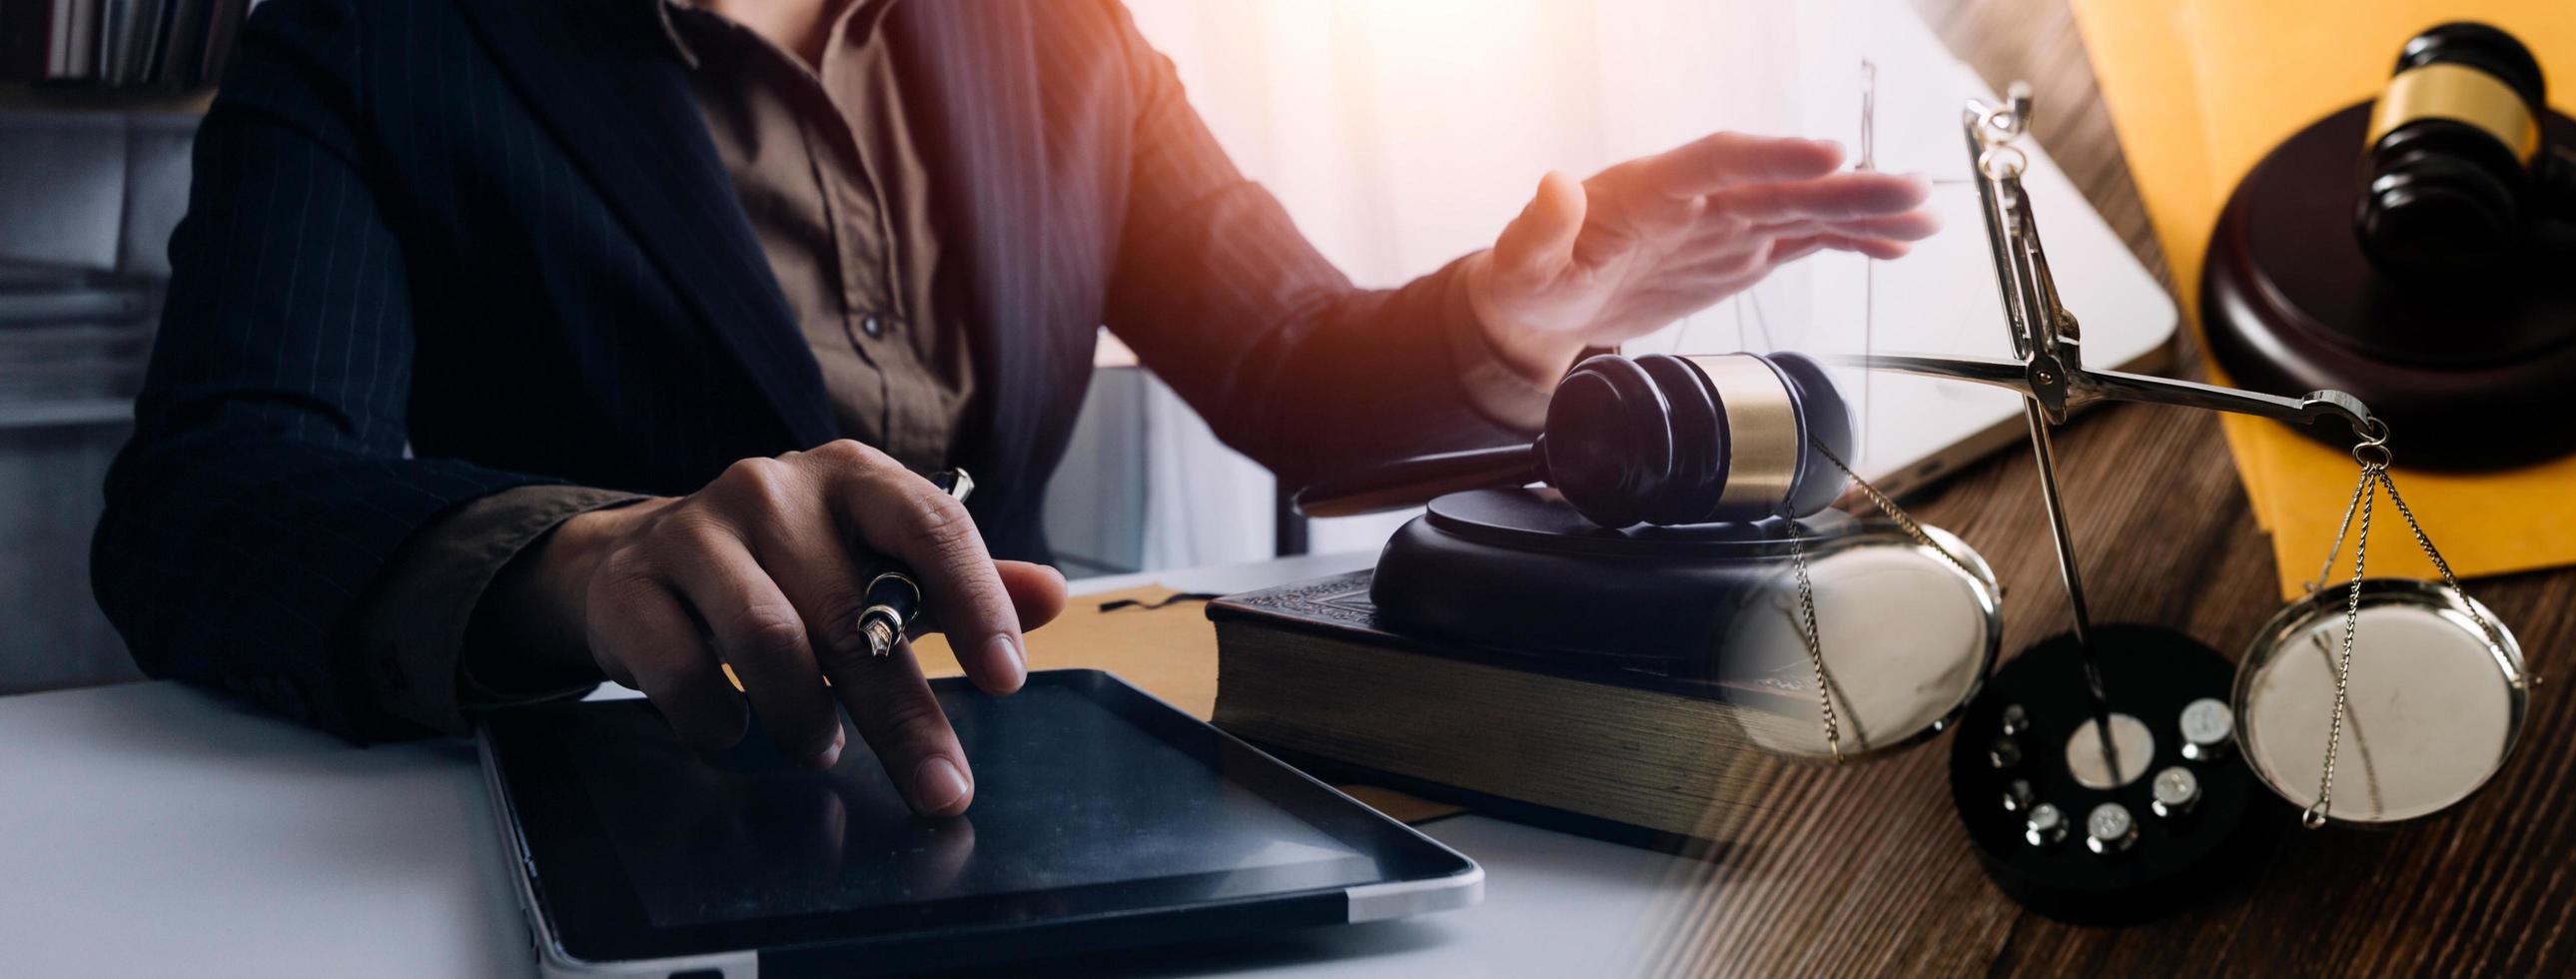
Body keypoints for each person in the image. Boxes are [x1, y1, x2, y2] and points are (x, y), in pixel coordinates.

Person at [90, 0, 1935, 817]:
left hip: (1053, 776)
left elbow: (1292, 366)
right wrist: (591, 558)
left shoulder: (1058, 30)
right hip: (649, 791)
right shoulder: (370, 30)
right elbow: (207, 493)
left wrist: (1497, 317)